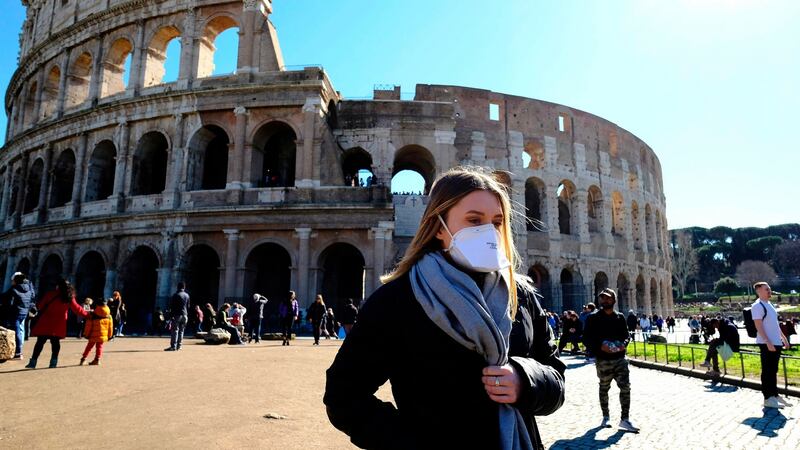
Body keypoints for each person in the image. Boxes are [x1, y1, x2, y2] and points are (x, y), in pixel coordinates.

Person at [324, 167, 565, 449]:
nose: (488, 232)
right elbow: (344, 396)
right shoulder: (397, 300)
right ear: (439, 227)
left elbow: (556, 378)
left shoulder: (520, 295)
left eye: (497, 222)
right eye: (474, 221)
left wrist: (525, 379)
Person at [582, 288, 640, 432]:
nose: (604, 300)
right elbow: (586, 339)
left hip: (620, 359)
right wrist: (600, 347)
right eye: (602, 298)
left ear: (613, 300)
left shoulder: (619, 317)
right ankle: (605, 417)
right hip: (603, 360)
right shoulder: (593, 318)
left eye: (608, 298)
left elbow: (626, 336)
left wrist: (622, 345)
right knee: (604, 388)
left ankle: (625, 419)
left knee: (626, 388)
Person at [26, 279, 88, 369]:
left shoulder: (50, 294)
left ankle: (33, 362)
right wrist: (88, 315)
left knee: (40, 342)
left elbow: (40, 306)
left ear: (58, 286)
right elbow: (77, 309)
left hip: (46, 321)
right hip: (59, 323)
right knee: (55, 343)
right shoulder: (69, 296)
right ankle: (53, 362)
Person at [751, 282, 793, 408]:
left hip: (776, 342)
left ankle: (774, 395)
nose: (770, 291)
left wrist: (783, 338)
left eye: (769, 289)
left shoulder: (769, 305)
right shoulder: (757, 306)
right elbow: (758, 325)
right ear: (759, 291)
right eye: (767, 289)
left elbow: (774, 324)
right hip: (766, 343)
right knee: (767, 371)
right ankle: (768, 398)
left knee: (773, 370)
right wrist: (767, 341)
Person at [2, 272, 36, 360]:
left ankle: (18, 352)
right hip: (24, 311)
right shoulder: (29, 288)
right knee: (21, 330)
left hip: (16, 312)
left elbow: (6, 298)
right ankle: (19, 349)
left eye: (12, 280)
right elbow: (32, 297)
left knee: (17, 331)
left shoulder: (15, 289)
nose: (11, 282)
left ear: (16, 280)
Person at [80, 297, 114, 366]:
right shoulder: (109, 315)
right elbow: (110, 327)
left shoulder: (93, 315)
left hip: (93, 334)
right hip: (103, 335)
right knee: (99, 347)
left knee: (89, 347)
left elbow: (88, 326)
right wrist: (110, 336)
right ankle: (97, 360)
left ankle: (83, 359)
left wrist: (86, 334)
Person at [165, 282, 190, 351]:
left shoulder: (176, 295)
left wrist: (171, 315)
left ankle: (173, 346)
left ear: (178, 287)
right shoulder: (187, 295)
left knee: (175, 330)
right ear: (184, 287)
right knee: (181, 331)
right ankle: (179, 346)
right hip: (185, 315)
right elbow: (188, 306)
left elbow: (172, 306)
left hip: (177, 315)